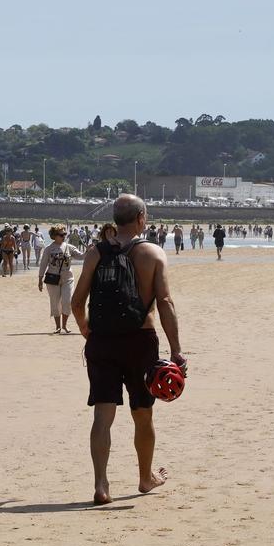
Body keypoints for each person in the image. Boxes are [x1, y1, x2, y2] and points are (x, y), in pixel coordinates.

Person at [70, 195, 185, 506]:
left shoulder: (97, 252)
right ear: (141, 218)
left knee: (102, 415)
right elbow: (165, 302)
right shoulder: (152, 253)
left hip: (102, 341)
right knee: (142, 414)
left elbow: (76, 303)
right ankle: (146, 477)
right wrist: (176, 350)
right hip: (141, 340)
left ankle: (101, 484)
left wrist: (86, 330)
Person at [38, 224, 77, 334]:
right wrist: (40, 280)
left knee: (67, 301)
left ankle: (64, 325)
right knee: (55, 303)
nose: (63, 236)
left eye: (65, 234)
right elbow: (43, 264)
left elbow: (81, 256)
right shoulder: (49, 249)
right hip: (52, 279)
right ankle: (58, 326)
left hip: (68, 278)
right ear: (54, 236)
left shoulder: (69, 247)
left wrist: (90, 250)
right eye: (61, 234)